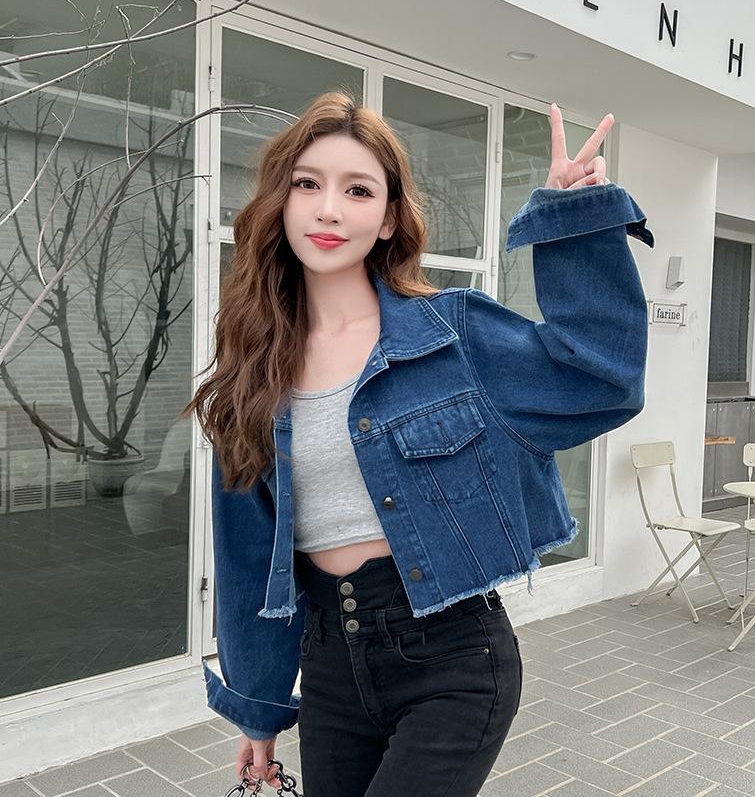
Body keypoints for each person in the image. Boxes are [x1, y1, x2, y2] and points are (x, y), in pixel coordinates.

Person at [183, 90, 654, 796]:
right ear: (280, 204)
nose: (329, 209)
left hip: (452, 659)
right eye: (307, 184)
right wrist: (258, 708)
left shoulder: (453, 334)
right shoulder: (254, 368)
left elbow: (601, 379)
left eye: (358, 190)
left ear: (387, 218)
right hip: (330, 665)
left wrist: (573, 225)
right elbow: (250, 556)